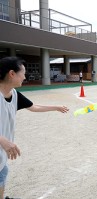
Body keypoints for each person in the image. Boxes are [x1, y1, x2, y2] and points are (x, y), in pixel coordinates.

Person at [0, 57, 69, 199]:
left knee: (3, 171)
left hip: (2, 152)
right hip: (3, 146)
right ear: (12, 74)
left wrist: (56, 107)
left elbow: (34, 107)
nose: (25, 77)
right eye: (23, 73)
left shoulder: (14, 94)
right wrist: (3, 140)